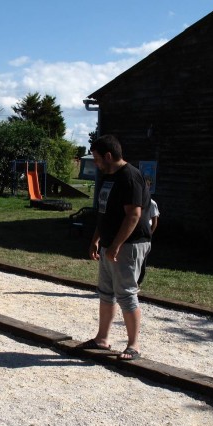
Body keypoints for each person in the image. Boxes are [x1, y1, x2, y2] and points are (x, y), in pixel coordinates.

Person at [80, 135, 151, 360]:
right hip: (110, 244)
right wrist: (96, 239)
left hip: (129, 245)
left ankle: (134, 345)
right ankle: (102, 339)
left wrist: (117, 245)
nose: (96, 163)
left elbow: (133, 215)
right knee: (106, 293)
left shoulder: (130, 177)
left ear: (109, 156)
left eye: (97, 159)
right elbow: (105, 213)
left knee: (126, 294)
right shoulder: (109, 177)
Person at [137, 183, 160, 285]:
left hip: (145, 232)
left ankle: (139, 280)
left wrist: (150, 233)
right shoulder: (137, 201)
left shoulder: (151, 203)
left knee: (143, 260)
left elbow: (154, 221)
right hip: (136, 232)